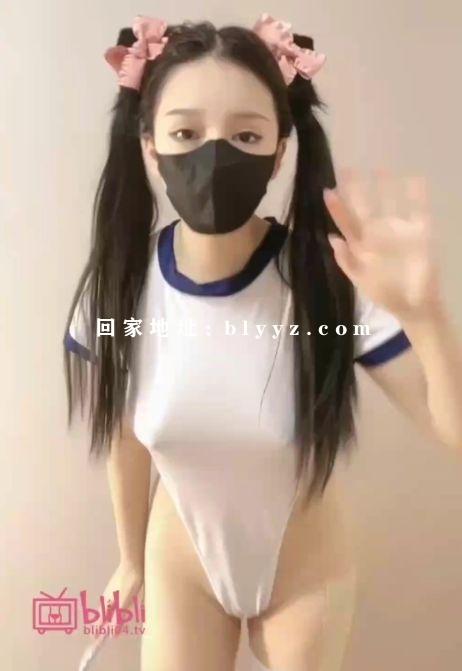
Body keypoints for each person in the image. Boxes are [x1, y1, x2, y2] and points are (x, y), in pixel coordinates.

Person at [63, 13, 462, 671]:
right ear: (150, 145)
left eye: (246, 135)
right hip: (181, 566)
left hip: (304, 569)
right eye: (186, 132)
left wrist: (427, 317)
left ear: (280, 151)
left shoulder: (328, 282)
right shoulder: (119, 293)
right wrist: (129, 558)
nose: (214, 156)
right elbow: (123, 433)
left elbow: (452, 429)